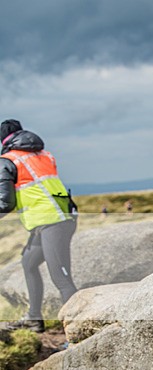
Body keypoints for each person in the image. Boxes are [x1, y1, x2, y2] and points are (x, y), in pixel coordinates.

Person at [0, 119, 78, 333]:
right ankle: (34, 318)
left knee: (61, 279)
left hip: (52, 222)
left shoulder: (8, 161)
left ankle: (77, 332)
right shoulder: (43, 154)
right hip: (58, 218)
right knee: (29, 263)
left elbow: (5, 202)